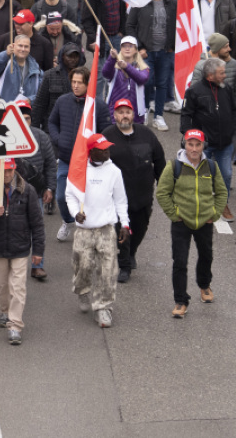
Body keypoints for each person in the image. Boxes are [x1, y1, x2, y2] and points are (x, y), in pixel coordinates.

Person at [155, 127, 227, 318]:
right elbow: (162, 193)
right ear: (184, 145)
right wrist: (174, 213)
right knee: (180, 261)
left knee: (206, 256)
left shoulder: (211, 166)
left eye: (198, 145)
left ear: (203, 146)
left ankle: (204, 285)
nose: (194, 149)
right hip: (181, 222)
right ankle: (180, 301)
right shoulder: (174, 167)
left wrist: (215, 212)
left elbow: (221, 192)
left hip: (205, 221)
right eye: (190, 144)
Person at [0, 159, 44, 346]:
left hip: (20, 249)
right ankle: (4, 311)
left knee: (18, 287)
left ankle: (15, 325)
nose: (7, 175)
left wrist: (38, 250)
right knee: (2, 285)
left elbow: (37, 222)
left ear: (15, 170)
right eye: (3, 171)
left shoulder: (27, 190)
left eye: (10, 171)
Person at [66, 134, 130, 328]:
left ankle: (104, 308)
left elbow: (120, 200)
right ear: (91, 151)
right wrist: (76, 213)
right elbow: (69, 195)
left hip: (105, 229)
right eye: (102, 149)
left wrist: (125, 224)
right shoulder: (78, 170)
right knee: (82, 267)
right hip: (84, 230)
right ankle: (82, 290)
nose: (107, 152)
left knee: (108, 270)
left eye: (107, 149)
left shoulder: (114, 172)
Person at [102, 98, 165, 283]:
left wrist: (164, 184)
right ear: (115, 115)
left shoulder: (147, 134)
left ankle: (132, 252)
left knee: (140, 228)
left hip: (143, 195)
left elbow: (159, 160)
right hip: (117, 198)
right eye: (120, 112)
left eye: (127, 112)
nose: (124, 116)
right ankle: (124, 266)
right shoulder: (107, 135)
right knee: (122, 231)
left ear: (133, 114)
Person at [180, 55, 236, 221]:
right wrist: (189, 137)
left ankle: (222, 205)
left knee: (226, 175)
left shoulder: (226, 88)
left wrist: (232, 128)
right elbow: (186, 115)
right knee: (201, 177)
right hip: (204, 145)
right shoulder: (194, 92)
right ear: (210, 76)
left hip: (225, 143)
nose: (225, 76)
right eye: (221, 73)